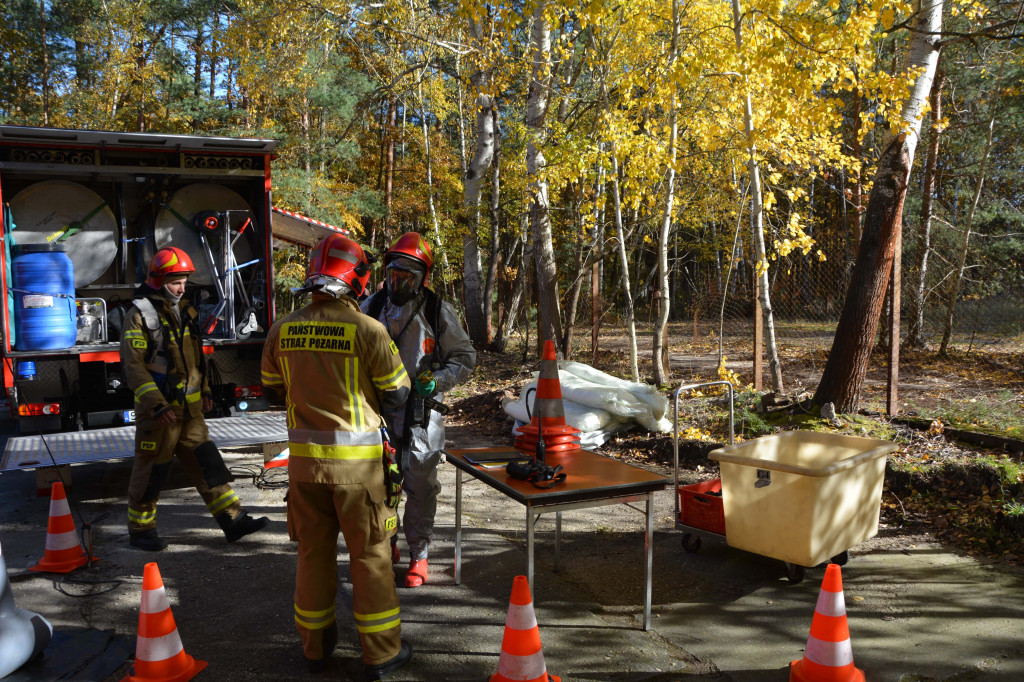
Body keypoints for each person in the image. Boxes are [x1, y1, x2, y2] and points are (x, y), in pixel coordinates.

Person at [261, 234, 414, 679]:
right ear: (357, 279)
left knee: (312, 554)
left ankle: (315, 649)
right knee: (370, 557)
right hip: (358, 471)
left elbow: (271, 390)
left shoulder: (282, 329)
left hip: (304, 469)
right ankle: (381, 653)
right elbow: (397, 393)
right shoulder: (368, 330)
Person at [120, 246, 268, 552]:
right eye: (176, 282)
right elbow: (133, 367)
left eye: (185, 281)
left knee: (208, 465)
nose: (182, 288)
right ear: (159, 280)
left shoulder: (184, 310)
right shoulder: (139, 315)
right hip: (159, 414)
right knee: (151, 472)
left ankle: (233, 520)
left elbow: (196, 359)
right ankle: (141, 530)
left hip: (190, 411)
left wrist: (207, 391)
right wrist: (156, 405)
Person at [361, 232, 476, 588]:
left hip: (420, 414)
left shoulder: (436, 310)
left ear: (423, 278)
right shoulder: (370, 308)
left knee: (421, 486)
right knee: (377, 485)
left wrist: (437, 380)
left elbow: (464, 357)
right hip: (376, 412)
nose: (399, 283)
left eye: (408, 277)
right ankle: (388, 543)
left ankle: (419, 554)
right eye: (394, 275)